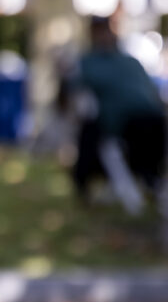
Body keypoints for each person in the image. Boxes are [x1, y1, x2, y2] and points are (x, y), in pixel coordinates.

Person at [69, 15, 166, 206]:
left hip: (151, 117)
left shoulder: (130, 62)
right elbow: (75, 89)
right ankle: (144, 180)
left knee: (154, 129)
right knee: (93, 135)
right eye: (99, 31)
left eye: (106, 30)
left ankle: (151, 180)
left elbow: (151, 90)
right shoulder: (88, 62)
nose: (104, 35)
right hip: (122, 121)